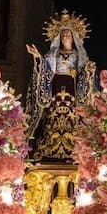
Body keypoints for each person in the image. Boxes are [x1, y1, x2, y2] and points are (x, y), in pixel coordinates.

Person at [26, 10, 96, 158]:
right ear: (58, 38)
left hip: (71, 88)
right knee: (52, 115)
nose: (65, 37)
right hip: (56, 87)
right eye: (63, 35)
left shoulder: (78, 56)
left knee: (73, 116)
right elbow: (45, 70)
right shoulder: (53, 55)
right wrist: (38, 57)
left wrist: (87, 71)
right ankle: (50, 144)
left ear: (73, 38)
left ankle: (73, 147)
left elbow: (84, 74)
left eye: (68, 35)